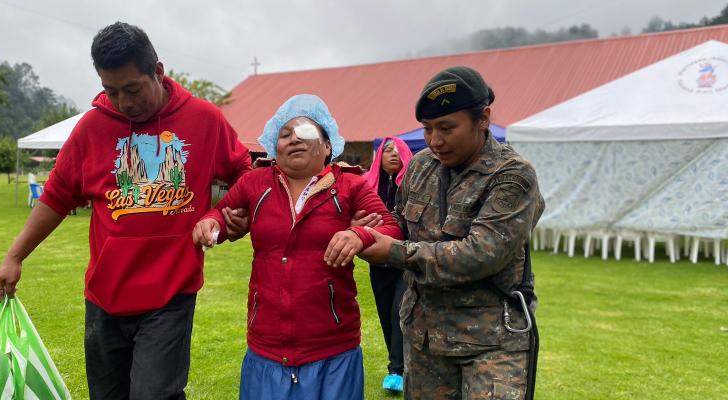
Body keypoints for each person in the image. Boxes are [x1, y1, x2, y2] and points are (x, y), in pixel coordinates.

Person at [0, 22, 252, 399]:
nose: (124, 102)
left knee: (153, 395)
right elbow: (56, 197)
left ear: (158, 73)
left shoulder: (204, 119)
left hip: (170, 296)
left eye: (132, 89)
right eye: (111, 91)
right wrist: (15, 257)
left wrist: (226, 215)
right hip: (104, 298)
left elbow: (244, 172)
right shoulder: (92, 127)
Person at [193, 94, 403, 400]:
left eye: (305, 132)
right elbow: (222, 213)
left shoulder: (351, 186)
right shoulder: (254, 183)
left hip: (333, 348)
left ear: (328, 145)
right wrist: (210, 223)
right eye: (284, 134)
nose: (293, 140)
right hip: (266, 345)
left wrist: (360, 235)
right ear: (273, 146)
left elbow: (391, 228)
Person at [359, 66, 545, 399]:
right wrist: (371, 228)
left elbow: (481, 253)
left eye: (447, 128)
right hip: (425, 337)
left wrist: (394, 251)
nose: (435, 140)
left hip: (491, 344)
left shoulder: (513, 176)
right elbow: (401, 220)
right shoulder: (420, 166)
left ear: (483, 118)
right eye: (428, 129)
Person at [363, 137, 413, 392]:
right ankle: (397, 365)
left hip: (405, 259)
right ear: (379, 157)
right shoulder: (368, 187)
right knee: (385, 313)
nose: (393, 154)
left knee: (398, 311)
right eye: (387, 150)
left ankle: (397, 371)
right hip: (378, 261)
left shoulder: (412, 186)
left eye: (398, 150)